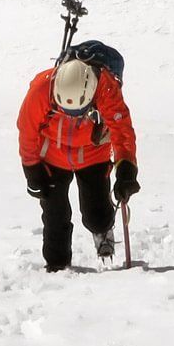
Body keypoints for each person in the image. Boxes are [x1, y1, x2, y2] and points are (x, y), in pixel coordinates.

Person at [18, 40, 140, 271]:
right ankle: (57, 266)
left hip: (93, 153)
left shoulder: (106, 88)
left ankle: (103, 230)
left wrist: (126, 169)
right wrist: (32, 170)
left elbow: (122, 131)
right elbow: (27, 129)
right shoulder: (41, 88)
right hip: (52, 154)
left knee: (96, 211)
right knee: (55, 215)